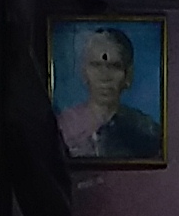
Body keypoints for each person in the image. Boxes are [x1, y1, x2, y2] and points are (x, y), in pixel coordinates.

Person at [57, 26, 159, 161]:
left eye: (114, 66)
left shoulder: (146, 129)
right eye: (96, 65)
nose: (104, 76)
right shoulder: (64, 125)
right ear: (83, 72)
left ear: (128, 76)